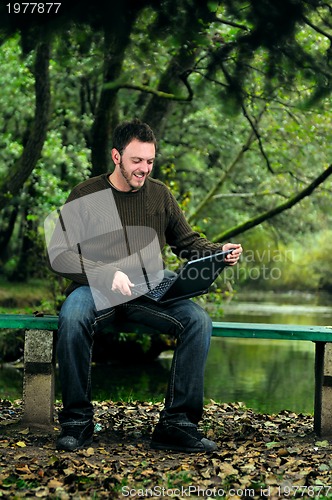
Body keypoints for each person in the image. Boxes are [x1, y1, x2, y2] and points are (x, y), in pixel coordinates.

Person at [47, 118, 242, 453]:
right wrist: (105, 273)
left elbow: (187, 241)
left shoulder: (159, 195)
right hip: (95, 290)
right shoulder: (87, 194)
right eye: (136, 160)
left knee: (198, 321)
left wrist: (217, 252)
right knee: (72, 317)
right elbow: (59, 255)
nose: (144, 169)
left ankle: (177, 424)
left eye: (150, 161)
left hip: (147, 291)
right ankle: (77, 422)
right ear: (116, 156)